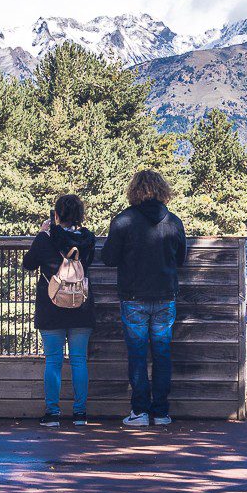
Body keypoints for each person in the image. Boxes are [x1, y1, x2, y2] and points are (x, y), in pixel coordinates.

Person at [101, 170, 188, 427]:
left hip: (133, 297)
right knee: (162, 354)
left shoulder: (123, 221)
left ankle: (139, 411)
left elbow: (108, 257)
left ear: (134, 190)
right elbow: (180, 258)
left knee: (137, 355)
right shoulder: (173, 221)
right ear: (162, 190)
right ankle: (160, 412)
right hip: (165, 297)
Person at [22, 194, 96, 428]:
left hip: (51, 305)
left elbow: (28, 264)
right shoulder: (88, 239)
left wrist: (44, 232)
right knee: (78, 361)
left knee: (53, 361)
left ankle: (53, 414)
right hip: (81, 304)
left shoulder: (46, 239)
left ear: (56, 215)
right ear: (80, 215)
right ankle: (80, 414)